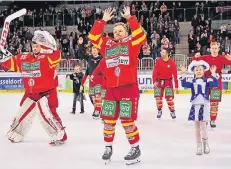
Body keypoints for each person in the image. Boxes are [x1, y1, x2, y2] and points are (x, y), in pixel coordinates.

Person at [88, 7, 146, 165]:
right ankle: (108, 147)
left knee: (127, 121)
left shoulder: (133, 43)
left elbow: (141, 35)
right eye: (115, 31)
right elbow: (93, 36)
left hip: (129, 88)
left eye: (120, 30)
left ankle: (135, 148)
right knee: (108, 121)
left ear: (127, 32)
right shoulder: (107, 44)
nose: (117, 33)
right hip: (111, 90)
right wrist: (103, 21)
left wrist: (130, 18)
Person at [0, 30, 67, 145]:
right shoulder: (24, 57)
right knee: (22, 113)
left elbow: (56, 54)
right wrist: (3, 57)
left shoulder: (47, 57)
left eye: (37, 46)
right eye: (33, 46)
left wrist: (44, 41)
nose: (35, 48)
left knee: (48, 114)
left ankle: (60, 135)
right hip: (31, 93)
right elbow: (12, 63)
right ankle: (17, 133)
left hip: (47, 93)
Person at [179, 60, 219, 155]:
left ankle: (206, 144)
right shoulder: (192, 81)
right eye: (196, 70)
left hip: (204, 105)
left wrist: (213, 74)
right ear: (193, 72)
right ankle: (198, 146)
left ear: (204, 70)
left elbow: (215, 84)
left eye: (200, 69)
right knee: (196, 127)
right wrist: (184, 73)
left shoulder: (207, 80)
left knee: (204, 126)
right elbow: (184, 84)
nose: (198, 71)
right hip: (195, 105)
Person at [193, 41, 231, 128]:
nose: (214, 50)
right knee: (204, 102)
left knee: (214, 102)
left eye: (216, 48)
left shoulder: (222, 58)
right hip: (205, 82)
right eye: (213, 48)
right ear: (210, 49)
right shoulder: (205, 57)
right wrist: (195, 56)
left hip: (216, 83)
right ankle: (205, 118)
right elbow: (195, 60)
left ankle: (213, 119)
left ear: (218, 49)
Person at [152, 48, 178, 119]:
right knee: (158, 98)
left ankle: (172, 111)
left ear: (167, 53)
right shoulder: (158, 62)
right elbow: (154, 72)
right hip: (158, 82)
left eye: (163, 52)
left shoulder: (172, 62)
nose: (161, 53)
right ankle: (159, 110)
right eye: (161, 52)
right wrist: (154, 81)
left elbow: (175, 75)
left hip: (168, 82)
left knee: (169, 98)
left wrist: (176, 86)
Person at [80, 45, 103, 119]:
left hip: (99, 79)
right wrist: (81, 45)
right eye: (93, 49)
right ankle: (98, 108)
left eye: (95, 50)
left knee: (97, 95)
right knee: (91, 96)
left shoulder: (101, 58)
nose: (94, 51)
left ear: (98, 51)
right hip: (91, 81)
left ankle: (97, 110)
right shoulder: (89, 58)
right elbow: (87, 72)